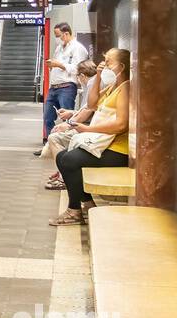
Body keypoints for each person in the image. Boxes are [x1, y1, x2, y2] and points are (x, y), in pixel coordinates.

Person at [49, 48, 131, 226]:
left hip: (118, 150)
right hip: (105, 145)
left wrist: (87, 129)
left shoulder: (126, 88)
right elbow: (92, 104)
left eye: (108, 62)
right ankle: (85, 204)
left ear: (122, 66)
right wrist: (99, 76)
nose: (104, 65)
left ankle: (75, 211)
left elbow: (121, 125)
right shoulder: (112, 87)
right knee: (65, 157)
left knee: (69, 160)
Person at [41, 59, 100, 186]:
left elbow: (88, 110)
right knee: (58, 133)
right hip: (92, 124)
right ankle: (62, 172)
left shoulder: (91, 85)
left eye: (77, 76)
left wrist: (68, 124)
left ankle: (64, 177)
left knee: (54, 138)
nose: (78, 79)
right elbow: (87, 108)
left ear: (82, 76)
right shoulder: (94, 83)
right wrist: (71, 113)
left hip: (91, 128)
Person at [35, 22, 88, 155]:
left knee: (67, 119)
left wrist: (59, 64)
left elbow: (78, 68)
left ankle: (67, 147)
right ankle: (49, 146)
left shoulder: (78, 48)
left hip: (67, 87)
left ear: (66, 33)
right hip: (54, 87)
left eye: (58, 36)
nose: (57, 39)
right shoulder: (59, 48)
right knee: (48, 117)